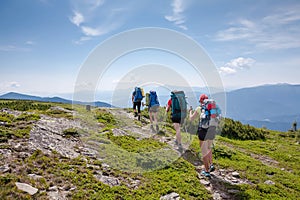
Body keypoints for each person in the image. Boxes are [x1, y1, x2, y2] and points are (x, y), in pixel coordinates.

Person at [189, 94, 218, 178]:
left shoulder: (199, 109)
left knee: (204, 150)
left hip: (203, 130)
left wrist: (190, 111)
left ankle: (206, 171)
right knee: (209, 147)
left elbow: (191, 119)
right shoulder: (212, 108)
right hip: (212, 129)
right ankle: (211, 164)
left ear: (201, 101)